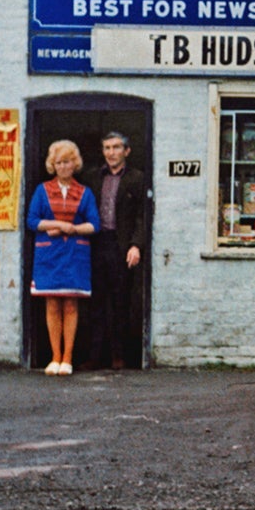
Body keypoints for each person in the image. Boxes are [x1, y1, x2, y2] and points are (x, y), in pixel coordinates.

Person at [25, 138, 96, 374]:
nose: (63, 167)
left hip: (75, 255)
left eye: (67, 162)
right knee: (52, 304)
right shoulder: (42, 190)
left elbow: (94, 224)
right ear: (52, 165)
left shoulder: (84, 193)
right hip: (49, 254)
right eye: (58, 163)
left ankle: (67, 358)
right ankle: (54, 357)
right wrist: (57, 224)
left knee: (71, 306)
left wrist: (72, 229)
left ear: (74, 164)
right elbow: (32, 220)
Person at [92, 129, 149, 368]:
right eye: (107, 148)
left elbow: (142, 215)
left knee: (120, 301)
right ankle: (93, 357)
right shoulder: (93, 177)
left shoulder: (137, 178)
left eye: (116, 147)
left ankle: (118, 356)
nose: (111, 153)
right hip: (96, 243)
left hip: (121, 245)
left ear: (127, 151)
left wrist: (136, 245)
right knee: (94, 302)